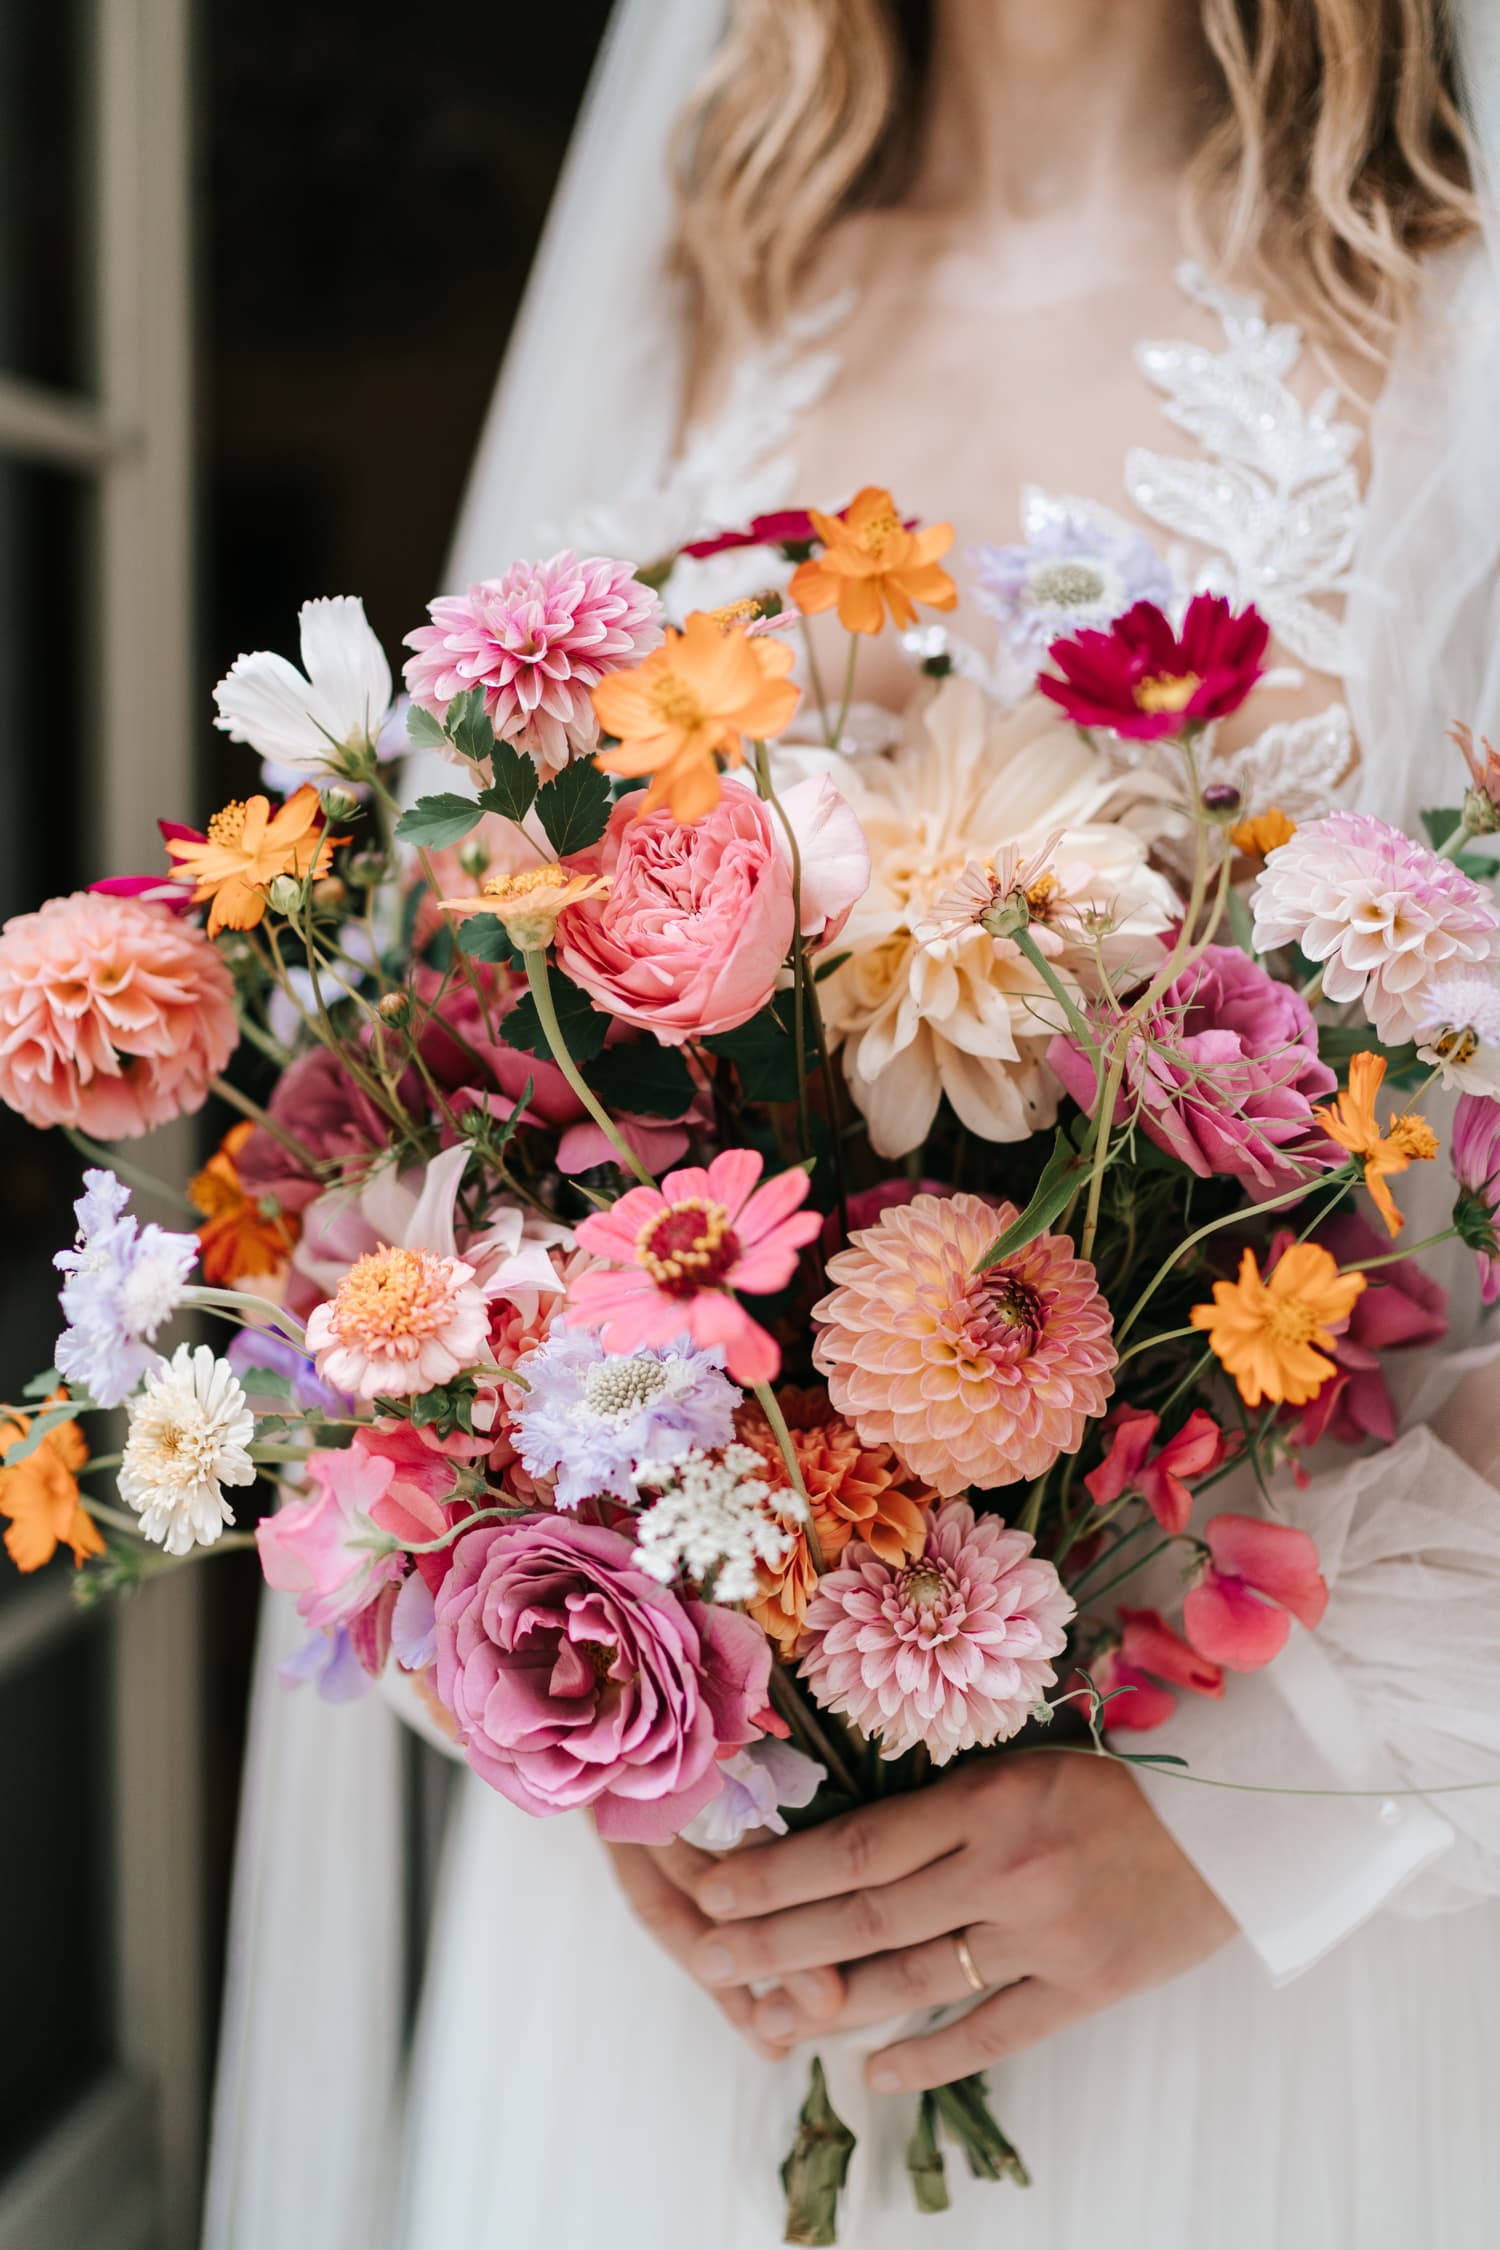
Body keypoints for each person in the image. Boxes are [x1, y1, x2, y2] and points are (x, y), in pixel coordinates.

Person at [206, 5, 1500, 2246]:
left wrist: (1264, 1810)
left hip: (1261, 1931)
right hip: (692, 1940)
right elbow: (437, 1164)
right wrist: (580, 1696)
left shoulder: (1450, 322)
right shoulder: (704, 317)